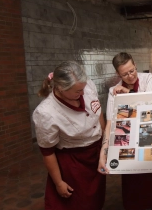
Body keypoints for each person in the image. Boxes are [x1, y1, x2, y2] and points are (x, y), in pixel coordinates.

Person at [98, 52, 152, 210]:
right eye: (125, 74)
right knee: (136, 190)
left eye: (132, 70)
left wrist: (128, 94)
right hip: (129, 144)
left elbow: (150, 107)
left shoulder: (147, 79)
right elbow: (110, 124)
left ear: (135, 65)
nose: (130, 76)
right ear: (117, 74)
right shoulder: (114, 90)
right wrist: (103, 152)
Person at [32, 61, 106, 210]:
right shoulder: (46, 113)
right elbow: (48, 152)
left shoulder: (86, 85)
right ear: (60, 88)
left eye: (83, 89)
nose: (83, 93)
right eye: (77, 92)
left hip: (95, 155)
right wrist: (58, 182)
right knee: (77, 203)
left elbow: (97, 113)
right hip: (74, 164)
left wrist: (105, 142)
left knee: (95, 201)